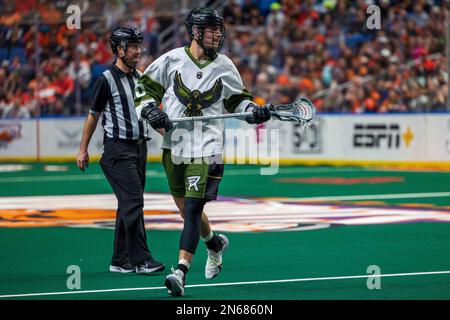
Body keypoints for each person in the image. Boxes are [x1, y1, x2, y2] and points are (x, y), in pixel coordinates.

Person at [134, 8, 271, 296]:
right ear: (195, 31)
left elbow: (238, 101)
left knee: (194, 209)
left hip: (207, 147)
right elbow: (144, 90)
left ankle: (180, 272)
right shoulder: (171, 60)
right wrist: (150, 112)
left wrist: (253, 112)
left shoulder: (224, 66)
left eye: (219, 29)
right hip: (174, 146)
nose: (218, 34)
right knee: (187, 211)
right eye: (211, 29)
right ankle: (214, 244)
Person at [76, 26, 165, 274]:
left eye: (139, 45)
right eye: (133, 46)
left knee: (128, 204)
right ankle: (141, 260)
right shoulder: (105, 80)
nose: (139, 51)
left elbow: (148, 114)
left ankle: (120, 260)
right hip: (117, 150)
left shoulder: (141, 78)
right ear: (119, 50)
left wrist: (168, 134)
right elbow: (93, 116)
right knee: (134, 201)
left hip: (139, 149)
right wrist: (83, 149)